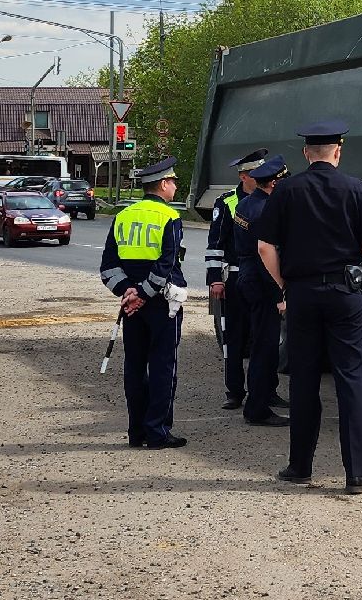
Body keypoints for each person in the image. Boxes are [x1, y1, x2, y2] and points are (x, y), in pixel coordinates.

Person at [252, 120, 362, 494]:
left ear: (307, 153)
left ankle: (300, 467)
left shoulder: (286, 190)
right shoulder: (357, 189)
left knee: (304, 379)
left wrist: (284, 285)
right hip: (347, 295)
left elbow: (265, 247)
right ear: (338, 151)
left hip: (302, 294)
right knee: (351, 378)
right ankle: (356, 474)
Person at [99, 157, 189, 450]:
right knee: (163, 366)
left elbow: (108, 266)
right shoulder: (169, 217)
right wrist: (143, 293)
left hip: (130, 307)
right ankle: (158, 432)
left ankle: (136, 432)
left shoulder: (123, 216)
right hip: (163, 304)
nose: (175, 186)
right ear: (163, 184)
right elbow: (166, 265)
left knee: (135, 367)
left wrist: (127, 292)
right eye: (173, 181)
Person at [206, 148, 268, 410]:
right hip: (235, 277)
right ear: (245, 176)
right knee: (235, 337)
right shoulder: (227, 202)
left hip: (265, 277)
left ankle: (267, 390)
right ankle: (234, 391)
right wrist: (214, 279)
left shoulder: (270, 198)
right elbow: (215, 243)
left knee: (263, 338)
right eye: (258, 173)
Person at [231, 156, 291, 427]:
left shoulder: (246, 203)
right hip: (262, 279)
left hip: (248, 275)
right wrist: (281, 291)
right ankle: (257, 408)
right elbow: (266, 251)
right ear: (274, 183)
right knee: (265, 347)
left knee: (260, 342)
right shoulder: (265, 209)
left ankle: (263, 397)